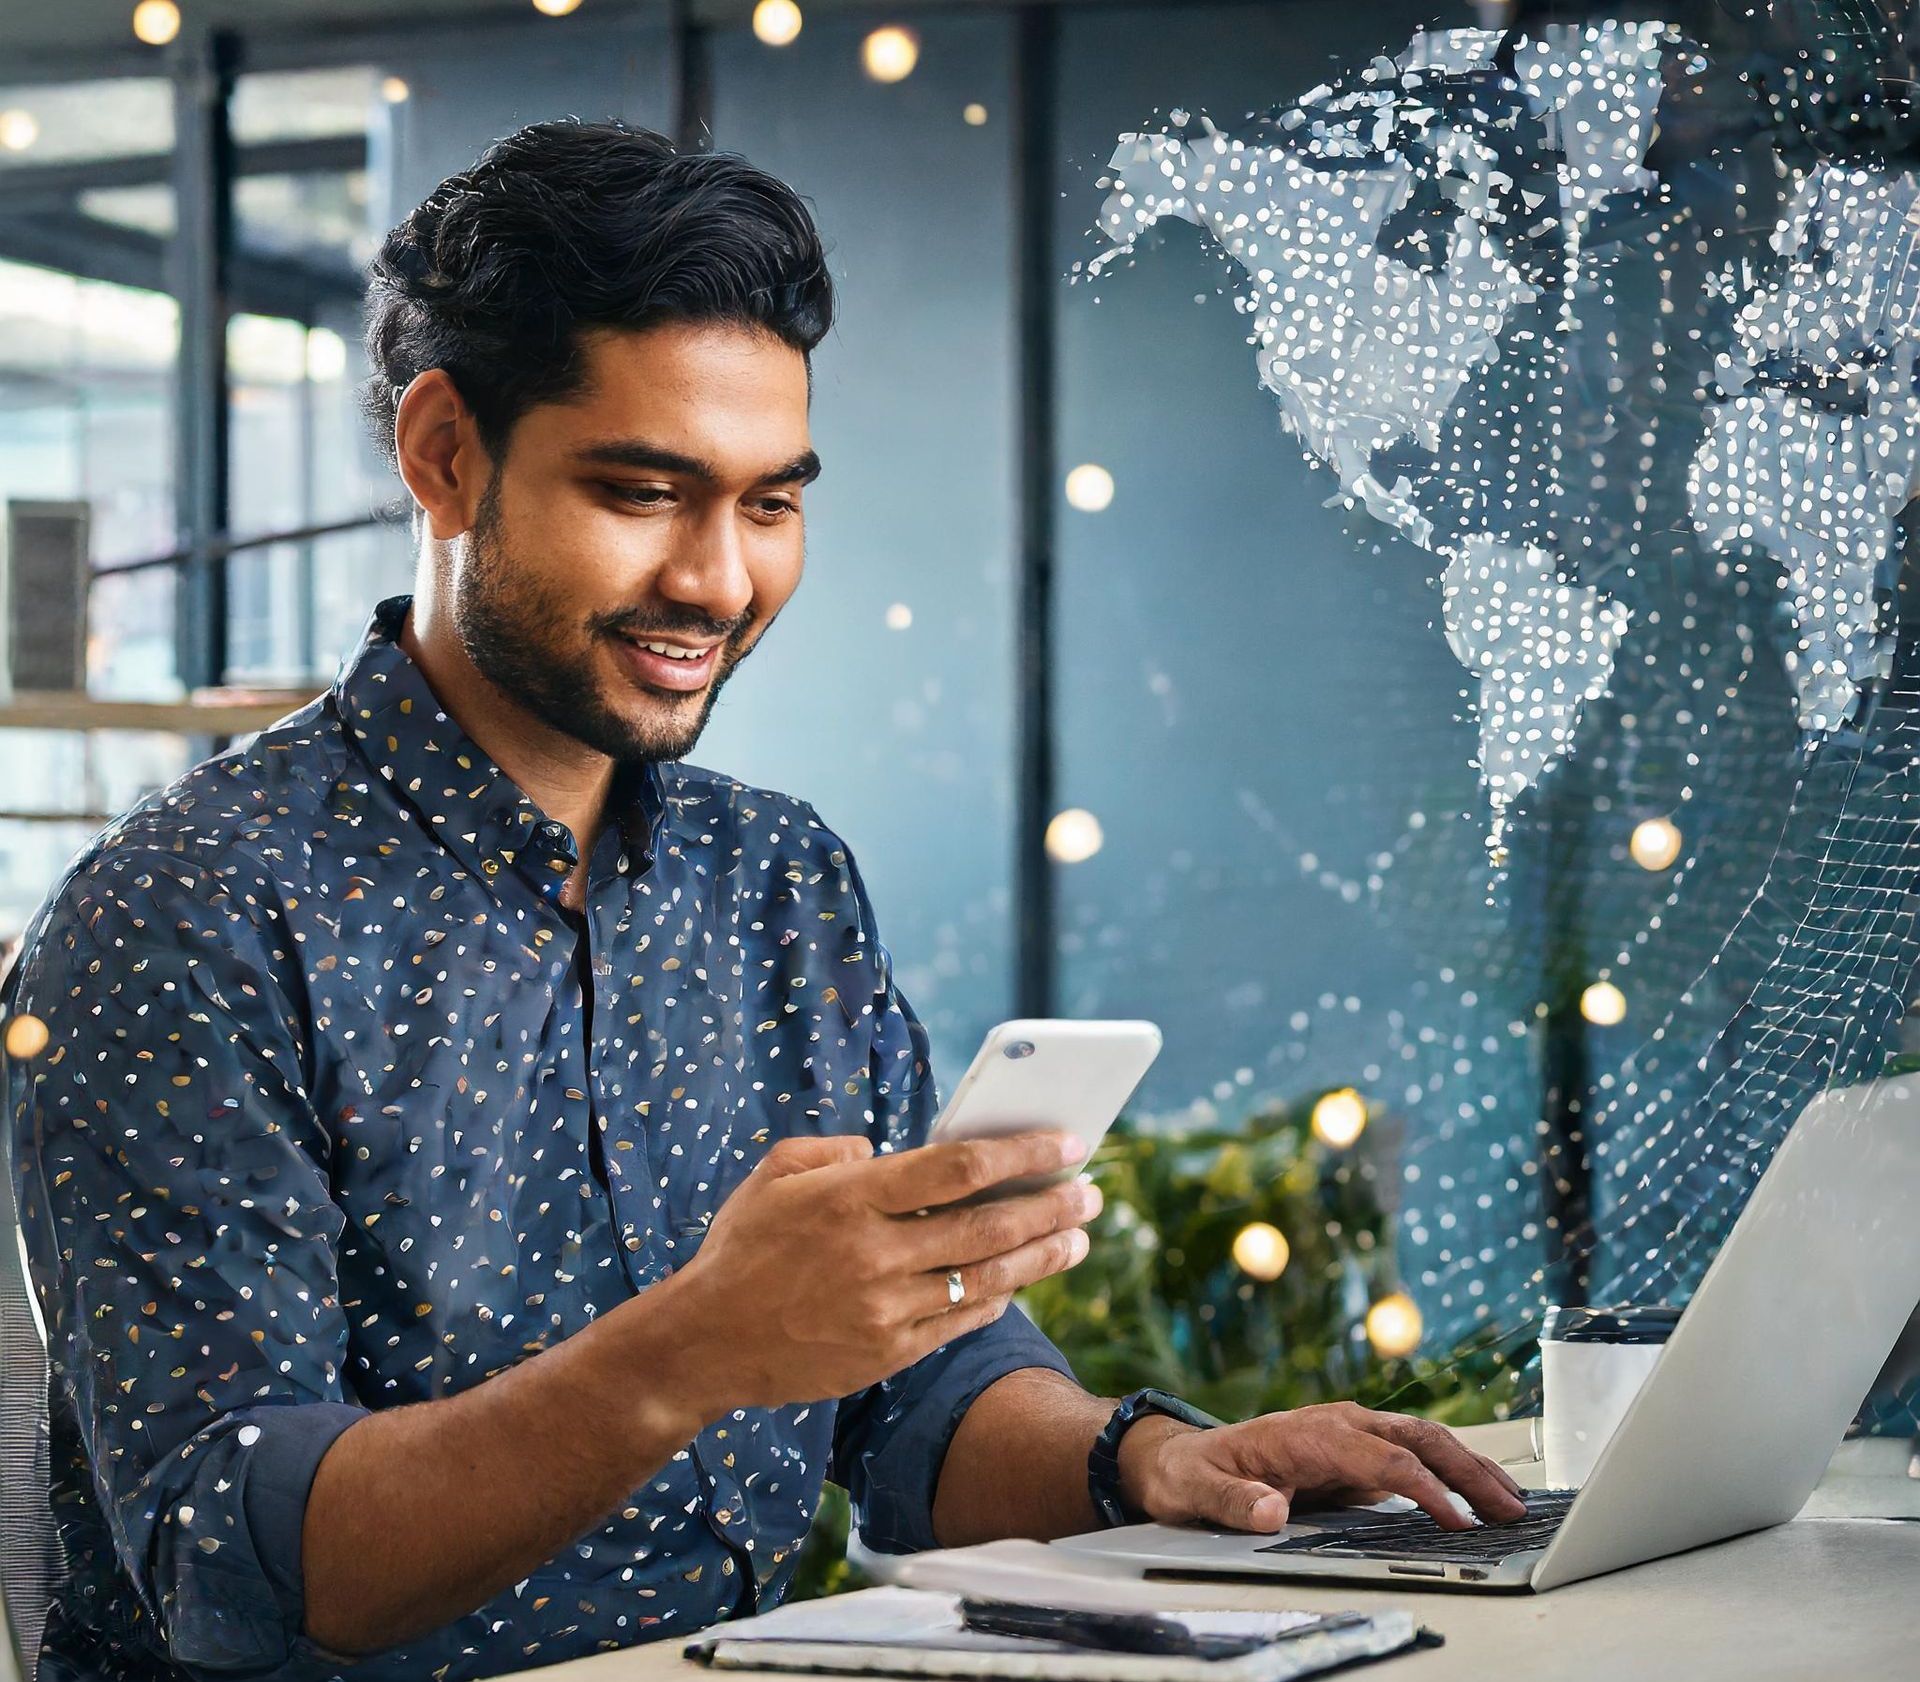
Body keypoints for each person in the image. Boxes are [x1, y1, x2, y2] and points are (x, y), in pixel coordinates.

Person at [0, 121, 1524, 1682]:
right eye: (646, 491)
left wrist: (1142, 1463)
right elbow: (234, 1564)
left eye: (770, 503)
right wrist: (698, 1346)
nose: (720, 581)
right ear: (443, 452)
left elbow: (914, 1403)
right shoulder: (184, 914)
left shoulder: (780, 881)